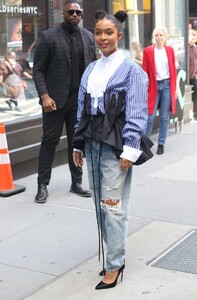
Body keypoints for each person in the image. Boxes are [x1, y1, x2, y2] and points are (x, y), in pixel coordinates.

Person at [72, 9, 148, 289]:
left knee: (112, 207)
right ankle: (113, 258)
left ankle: (115, 264)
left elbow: (138, 113)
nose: (102, 37)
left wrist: (130, 149)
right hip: (91, 144)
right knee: (99, 206)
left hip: (115, 148)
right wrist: (77, 143)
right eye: (98, 32)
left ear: (119, 34)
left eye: (108, 32)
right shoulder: (91, 69)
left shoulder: (132, 71)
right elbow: (82, 109)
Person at [33, 1, 96, 203]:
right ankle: (42, 185)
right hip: (55, 101)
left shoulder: (88, 37)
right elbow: (38, 69)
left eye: (78, 12)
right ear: (63, 14)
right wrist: (44, 96)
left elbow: (93, 68)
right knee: (49, 142)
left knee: (76, 143)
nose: (75, 15)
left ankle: (76, 182)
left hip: (78, 100)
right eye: (71, 11)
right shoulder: (48, 36)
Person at [142, 27, 177, 155]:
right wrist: (145, 89)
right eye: (156, 35)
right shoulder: (148, 51)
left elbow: (173, 70)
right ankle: (145, 145)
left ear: (165, 37)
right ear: (154, 37)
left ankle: (161, 143)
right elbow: (144, 71)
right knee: (150, 117)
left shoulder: (170, 50)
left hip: (167, 85)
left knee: (163, 116)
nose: (159, 37)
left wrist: (175, 89)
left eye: (161, 35)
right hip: (153, 86)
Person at [188, 29, 197, 120]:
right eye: (192, 37)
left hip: (193, 75)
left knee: (195, 93)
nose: (194, 39)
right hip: (186, 77)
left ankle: (195, 113)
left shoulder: (195, 48)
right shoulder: (183, 47)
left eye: (195, 38)